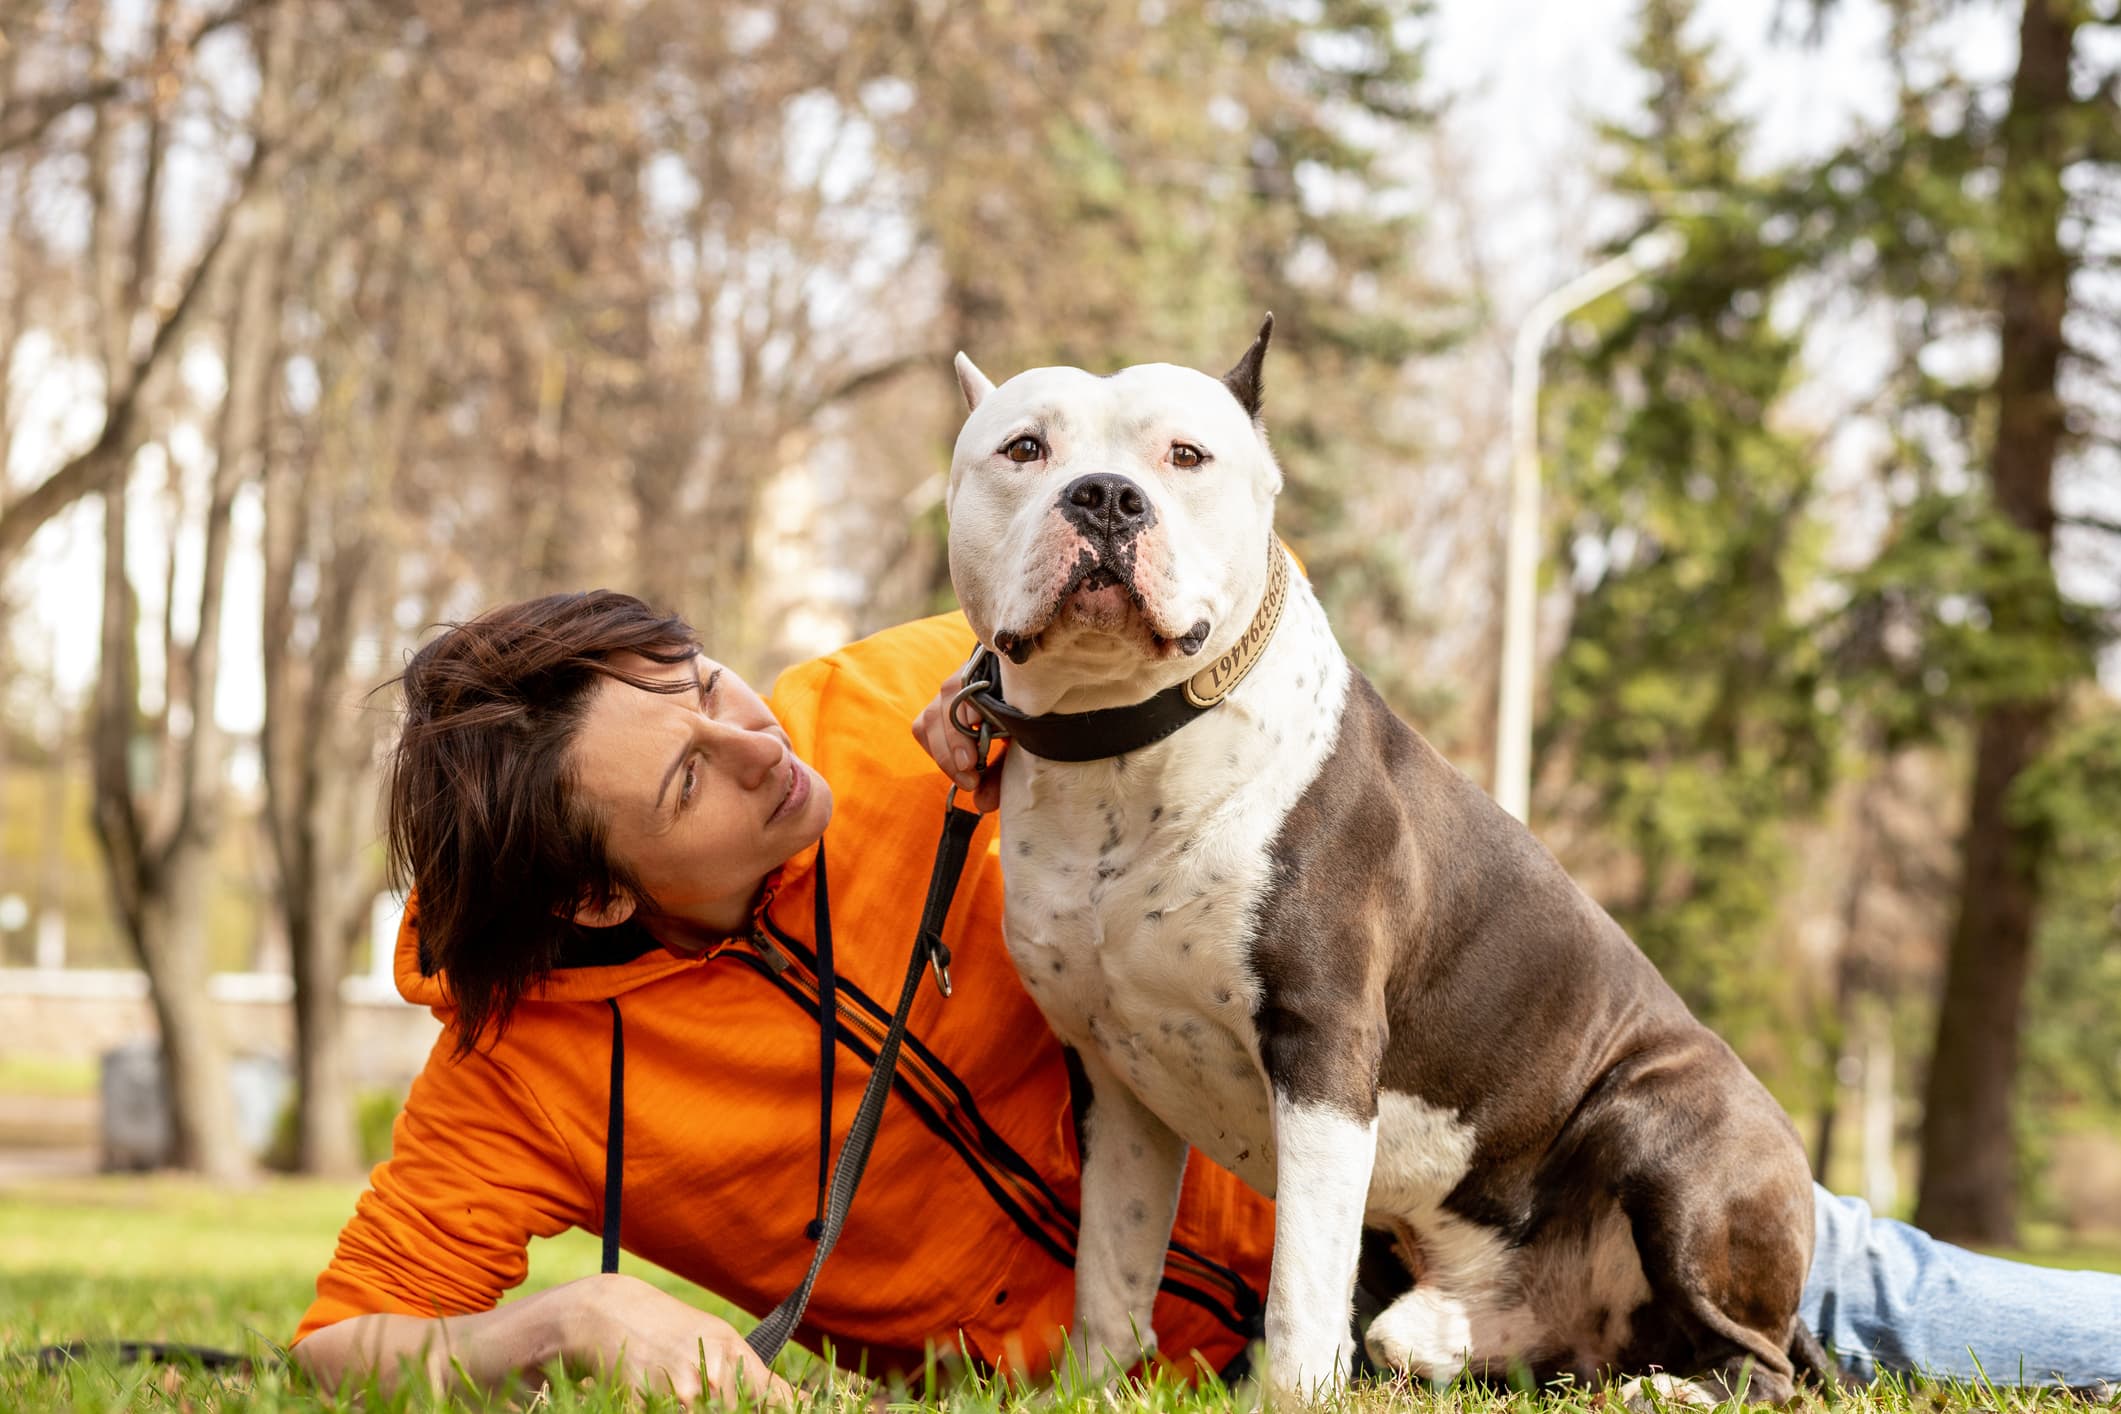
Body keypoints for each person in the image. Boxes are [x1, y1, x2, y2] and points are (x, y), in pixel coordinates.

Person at [290, 589, 2121, 1401]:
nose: (750, 740)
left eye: (704, 680)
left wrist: (1087, 711)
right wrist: (561, 1325)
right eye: (685, 772)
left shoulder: (915, 701)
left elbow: (1259, 638)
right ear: (602, 890)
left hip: (1483, 1189)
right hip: (1254, 1355)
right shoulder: (513, 1075)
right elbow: (342, 1336)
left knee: (1898, 1298)